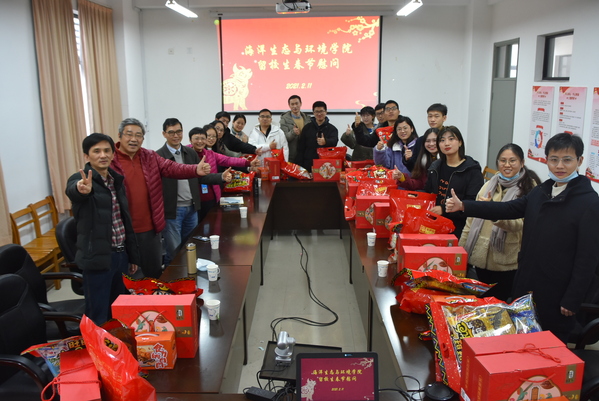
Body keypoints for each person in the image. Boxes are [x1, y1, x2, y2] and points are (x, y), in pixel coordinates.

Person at [446, 133, 599, 342]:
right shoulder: (543, 191)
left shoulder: (589, 202)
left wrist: (572, 299)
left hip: (558, 291)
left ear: (579, 161)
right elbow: (508, 208)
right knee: (521, 340)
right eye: (554, 159)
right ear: (546, 160)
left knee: (548, 346)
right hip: (528, 282)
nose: (559, 166)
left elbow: (587, 258)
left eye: (567, 160)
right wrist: (464, 205)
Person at [110, 118, 211, 279]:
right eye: (129, 134)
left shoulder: (149, 156)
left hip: (151, 228)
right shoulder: (110, 160)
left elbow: (171, 167)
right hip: (122, 231)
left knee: (154, 273)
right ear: (119, 136)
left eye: (138, 135)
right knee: (126, 277)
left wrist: (194, 170)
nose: (134, 139)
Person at [66, 133, 139, 325]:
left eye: (107, 150)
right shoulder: (81, 179)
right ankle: (96, 345)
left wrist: (132, 255)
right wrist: (81, 189)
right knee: (97, 314)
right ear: (86, 156)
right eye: (96, 151)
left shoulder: (116, 180)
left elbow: (124, 220)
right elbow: (74, 190)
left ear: (113, 154)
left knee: (119, 309)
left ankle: (116, 343)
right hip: (98, 258)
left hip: (121, 255)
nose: (103, 155)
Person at [458, 143, 540, 301]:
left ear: (522, 163)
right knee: (480, 303)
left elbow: (519, 225)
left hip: (506, 261)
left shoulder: (530, 188)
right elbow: (471, 221)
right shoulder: (489, 184)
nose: (507, 165)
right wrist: (461, 252)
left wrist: (493, 211)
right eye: (503, 160)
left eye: (512, 161)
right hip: (480, 258)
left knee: (499, 304)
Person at [156, 118, 230, 266]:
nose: (176, 135)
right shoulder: (159, 156)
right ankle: (173, 277)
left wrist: (220, 177)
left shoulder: (189, 153)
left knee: (190, 247)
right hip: (173, 211)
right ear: (164, 134)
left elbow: (201, 177)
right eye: (171, 132)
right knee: (174, 251)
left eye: (179, 132)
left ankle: (189, 276)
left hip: (192, 208)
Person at [423, 126, 483, 239]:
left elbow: (472, 203)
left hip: (459, 226)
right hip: (433, 223)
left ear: (460, 142)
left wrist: (443, 209)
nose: (446, 143)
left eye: (451, 139)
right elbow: (428, 191)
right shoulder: (435, 167)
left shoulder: (472, 170)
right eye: (442, 140)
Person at [189, 125, 259, 220]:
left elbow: (228, 160)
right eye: (197, 138)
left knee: (212, 222)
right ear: (190, 140)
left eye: (203, 138)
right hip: (193, 199)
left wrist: (249, 163)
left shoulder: (210, 154)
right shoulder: (186, 153)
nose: (200, 141)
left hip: (212, 196)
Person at [295, 100, 339, 171]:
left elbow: (334, 141)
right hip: (308, 163)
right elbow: (301, 148)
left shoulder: (332, 129)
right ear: (313, 113)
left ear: (326, 112)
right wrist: (299, 165)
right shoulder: (307, 128)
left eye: (321, 111)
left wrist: (326, 141)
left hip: (326, 165)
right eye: (316, 111)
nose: (319, 114)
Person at [279, 95, 311, 163]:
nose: (295, 106)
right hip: (292, 155)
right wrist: (293, 132)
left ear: (301, 104)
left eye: (296, 103)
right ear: (289, 105)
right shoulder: (284, 120)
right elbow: (284, 138)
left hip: (306, 154)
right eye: (292, 104)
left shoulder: (307, 119)